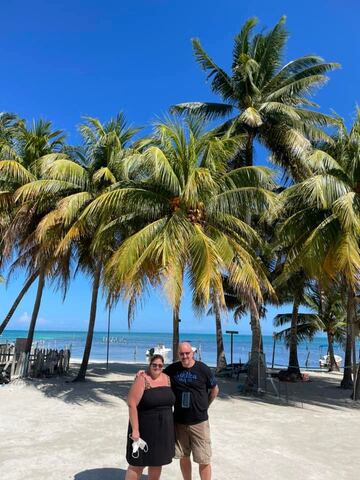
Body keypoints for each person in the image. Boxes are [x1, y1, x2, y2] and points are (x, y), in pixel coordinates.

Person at [164, 342, 219, 480]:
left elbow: (214, 389)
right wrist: (143, 373)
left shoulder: (203, 369)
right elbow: (157, 375)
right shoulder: (173, 369)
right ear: (178, 354)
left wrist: (205, 405)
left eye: (187, 353)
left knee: (204, 459)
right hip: (180, 422)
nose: (184, 356)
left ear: (192, 353)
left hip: (199, 422)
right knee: (183, 456)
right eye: (181, 354)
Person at [125, 354, 175, 480]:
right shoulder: (142, 378)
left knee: (157, 462)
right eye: (154, 365)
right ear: (149, 364)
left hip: (163, 430)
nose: (157, 367)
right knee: (137, 464)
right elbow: (131, 404)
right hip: (144, 429)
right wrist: (135, 430)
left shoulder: (168, 379)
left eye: (160, 365)